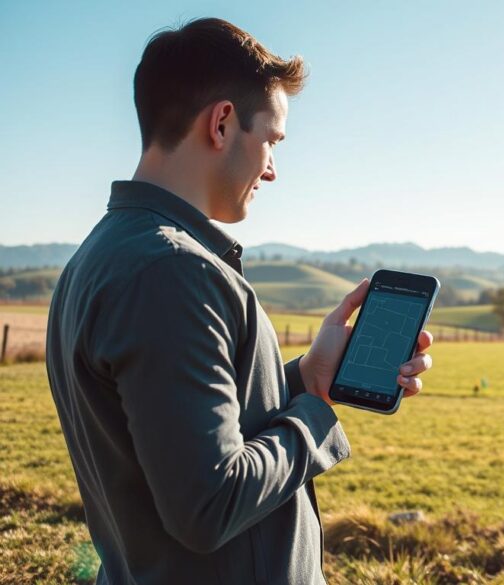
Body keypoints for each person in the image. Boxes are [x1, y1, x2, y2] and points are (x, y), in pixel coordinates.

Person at [44, 17, 433, 584]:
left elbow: (187, 425)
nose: (272, 169)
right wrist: (315, 417)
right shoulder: (171, 273)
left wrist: (308, 375)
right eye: (271, 141)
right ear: (222, 123)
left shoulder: (102, 255)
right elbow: (210, 504)